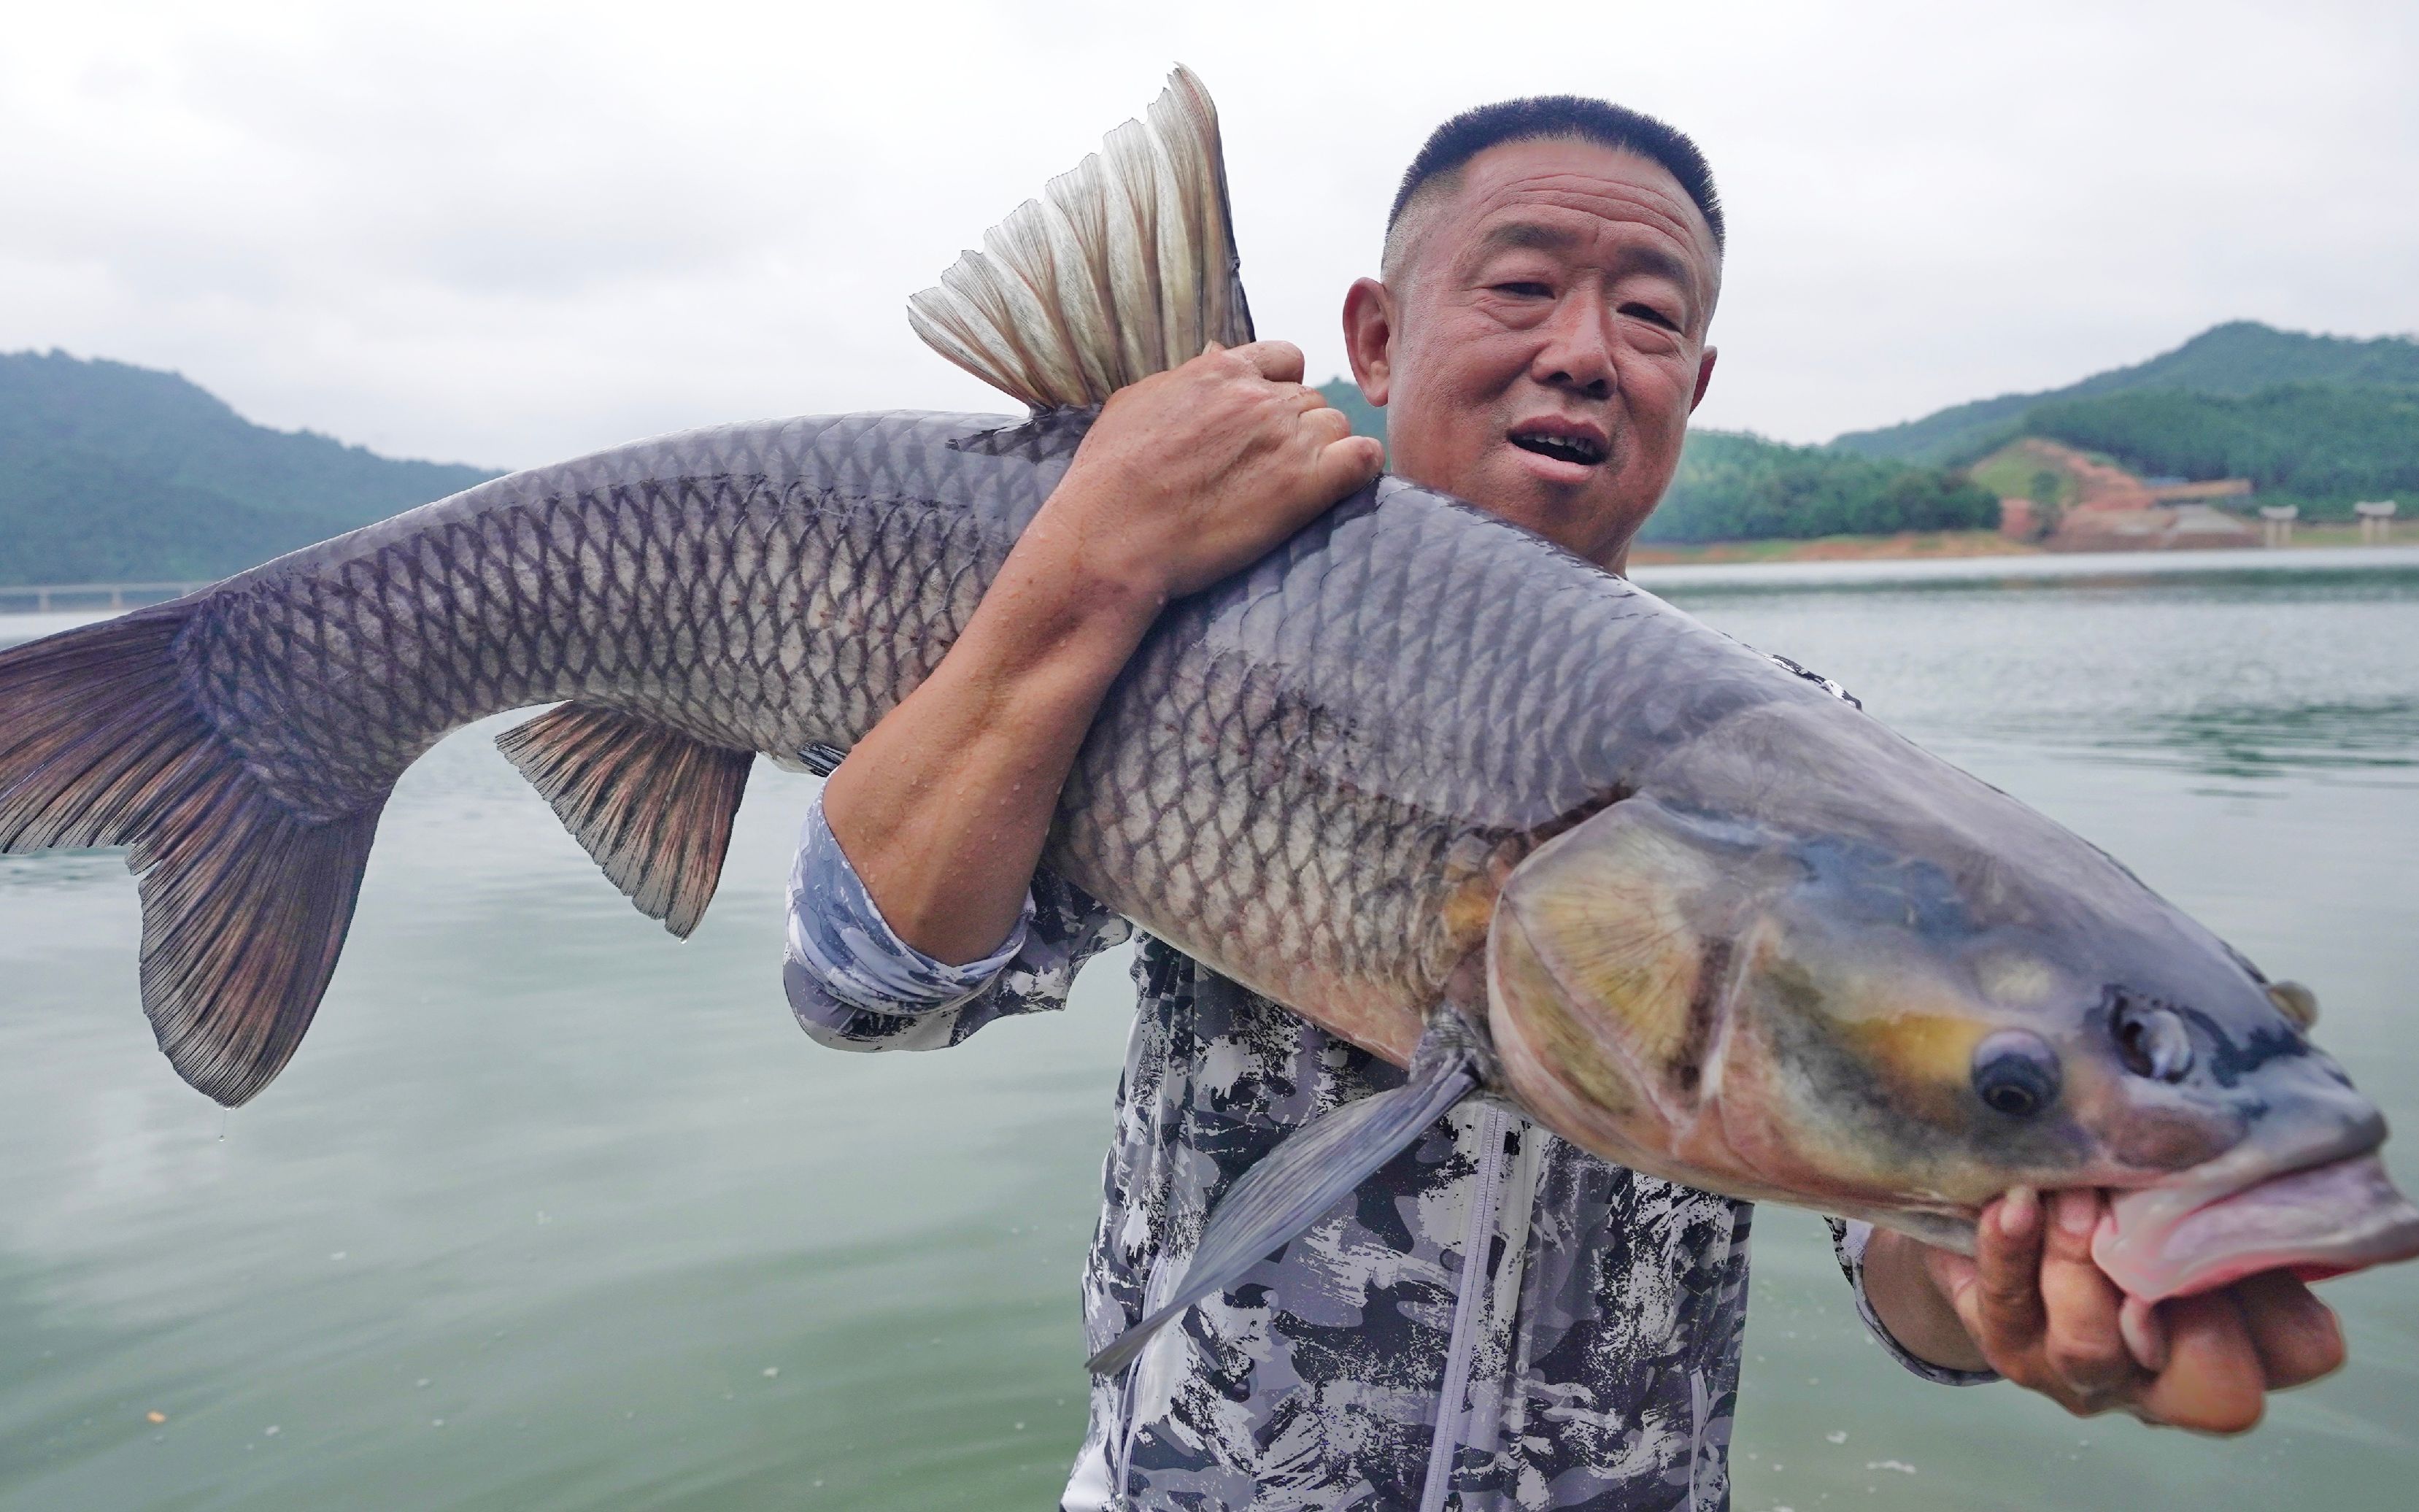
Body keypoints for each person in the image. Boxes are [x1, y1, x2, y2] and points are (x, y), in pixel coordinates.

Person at [782, 97, 2345, 1511]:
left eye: (1648, 314)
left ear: (1694, 383)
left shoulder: (1817, 752)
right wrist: (1092, 561)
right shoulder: (1147, 639)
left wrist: (2012, 1282)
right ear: (1375, 341)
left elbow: (1890, 1245)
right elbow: (869, 992)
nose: (1586, 349)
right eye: (1521, 286)